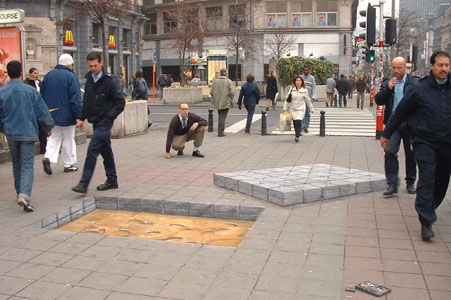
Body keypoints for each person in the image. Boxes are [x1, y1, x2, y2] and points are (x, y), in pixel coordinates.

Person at [380, 51, 451, 241]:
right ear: (432, 66)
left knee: (442, 181)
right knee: (427, 178)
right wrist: (386, 134)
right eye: (440, 65)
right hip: (425, 141)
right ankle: (426, 221)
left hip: (447, 144)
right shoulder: (420, 89)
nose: (444, 69)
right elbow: (400, 112)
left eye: (447, 65)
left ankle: (430, 206)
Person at [0, 61, 54, 212]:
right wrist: (48, 127)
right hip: (28, 132)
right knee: (27, 165)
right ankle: (24, 194)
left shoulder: (2, 92)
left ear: (8, 73)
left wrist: (3, 128)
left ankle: (19, 192)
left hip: (11, 133)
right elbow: (41, 110)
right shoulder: (30, 91)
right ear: (21, 72)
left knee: (16, 164)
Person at [71, 52, 125, 194]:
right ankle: (112, 180)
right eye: (90, 66)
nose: (93, 68)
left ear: (101, 64)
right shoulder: (89, 79)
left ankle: (83, 184)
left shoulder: (110, 81)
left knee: (92, 150)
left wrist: (109, 117)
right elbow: (87, 100)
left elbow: (120, 102)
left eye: (95, 65)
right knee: (105, 150)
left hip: (105, 122)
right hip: (95, 119)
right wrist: (81, 117)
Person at [376, 57, 418, 197]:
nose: (396, 71)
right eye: (394, 68)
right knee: (390, 151)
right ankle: (392, 183)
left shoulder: (414, 82)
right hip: (393, 124)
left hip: (411, 124)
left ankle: (410, 181)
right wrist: (388, 89)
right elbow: (379, 100)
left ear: (405, 68)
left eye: (399, 68)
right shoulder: (388, 83)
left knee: (411, 154)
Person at [40, 53, 82, 175]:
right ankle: (68, 164)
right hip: (67, 114)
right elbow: (75, 98)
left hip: (51, 113)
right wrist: (78, 115)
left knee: (54, 137)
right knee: (68, 138)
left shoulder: (48, 75)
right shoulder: (71, 76)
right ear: (70, 64)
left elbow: (42, 95)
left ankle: (48, 157)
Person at [283, 76, 315, 143]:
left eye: (299, 80)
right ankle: (296, 134)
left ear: (302, 82)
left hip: (301, 109)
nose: (298, 82)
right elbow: (287, 99)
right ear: (295, 82)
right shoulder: (292, 89)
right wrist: (285, 108)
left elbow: (308, 100)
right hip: (293, 108)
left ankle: (297, 134)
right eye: (297, 80)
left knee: (298, 121)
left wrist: (311, 108)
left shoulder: (304, 90)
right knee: (295, 122)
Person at [24, 67, 47, 154]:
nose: (36, 75)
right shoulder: (26, 83)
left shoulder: (39, 83)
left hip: (39, 107)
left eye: (37, 73)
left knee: (42, 128)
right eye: (34, 73)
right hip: (31, 109)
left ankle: (43, 148)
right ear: (30, 74)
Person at [210, 68, 234, 137]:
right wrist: (230, 99)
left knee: (220, 115)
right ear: (226, 74)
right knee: (223, 116)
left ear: (220, 74)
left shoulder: (215, 81)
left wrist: (215, 98)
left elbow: (211, 92)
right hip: (226, 101)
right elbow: (232, 92)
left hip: (217, 101)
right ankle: (220, 132)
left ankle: (219, 130)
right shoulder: (228, 81)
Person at [300, 66, 316, 133]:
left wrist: (314, 96)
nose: (306, 71)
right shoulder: (301, 77)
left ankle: (306, 127)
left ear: (309, 71)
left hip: (308, 99)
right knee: (301, 113)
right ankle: (301, 126)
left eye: (307, 70)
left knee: (307, 113)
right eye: (305, 70)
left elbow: (314, 87)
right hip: (301, 99)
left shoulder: (312, 78)